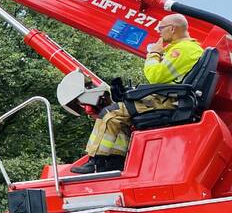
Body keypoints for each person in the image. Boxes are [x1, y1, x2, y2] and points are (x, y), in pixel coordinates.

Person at [71, 13, 203, 174]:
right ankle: (115, 161)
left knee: (110, 113)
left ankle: (95, 161)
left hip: (168, 100)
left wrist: (154, 53)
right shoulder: (189, 48)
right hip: (171, 98)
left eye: (161, 28)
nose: (159, 33)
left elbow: (156, 76)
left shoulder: (182, 50)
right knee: (121, 117)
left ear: (172, 29)